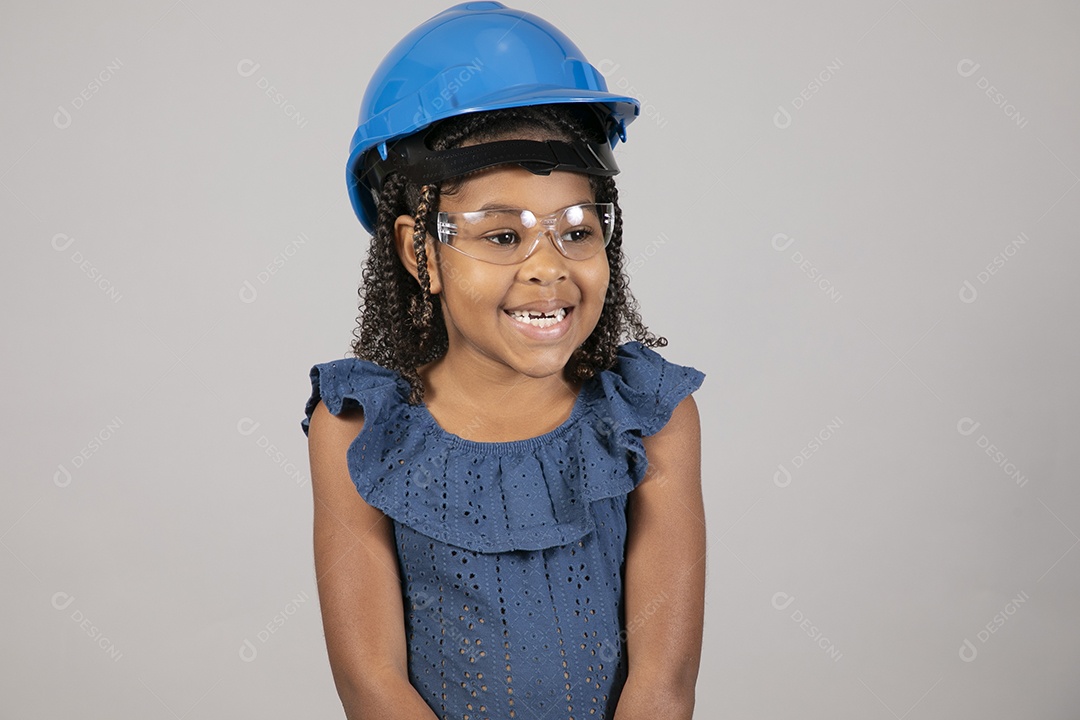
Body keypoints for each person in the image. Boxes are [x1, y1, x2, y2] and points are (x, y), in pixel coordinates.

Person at [301, 4, 706, 718]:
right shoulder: (360, 431)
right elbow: (372, 685)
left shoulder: (649, 420)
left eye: (578, 230)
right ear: (418, 251)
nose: (549, 268)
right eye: (501, 237)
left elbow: (661, 684)